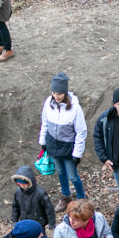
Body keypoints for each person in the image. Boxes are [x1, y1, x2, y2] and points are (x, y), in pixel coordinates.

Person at [39, 72, 88, 212]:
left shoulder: (75, 108)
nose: (56, 96)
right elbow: (45, 123)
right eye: (54, 93)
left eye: (59, 93)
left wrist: (77, 153)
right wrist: (43, 141)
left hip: (68, 148)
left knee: (73, 175)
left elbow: (81, 131)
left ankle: (81, 198)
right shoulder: (48, 103)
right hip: (53, 145)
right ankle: (66, 197)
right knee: (60, 172)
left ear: (65, 92)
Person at [11, 165, 56, 238]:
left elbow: (49, 208)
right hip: (25, 221)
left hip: (38, 222)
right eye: (20, 185)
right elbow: (15, 207)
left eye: (24, 184)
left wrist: (51, 222)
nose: (22, 187)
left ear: (30, 182)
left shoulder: (40, 193)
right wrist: (14, 220)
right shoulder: (18, 193)